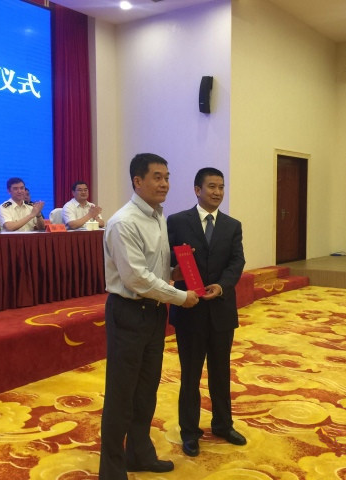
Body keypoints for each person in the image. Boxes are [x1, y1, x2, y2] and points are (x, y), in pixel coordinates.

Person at [99, 153, 200, 480]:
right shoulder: (123, 222)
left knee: (146, 390)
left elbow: (153, 270)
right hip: (128, 313)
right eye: (157, 177)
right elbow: (136, 279)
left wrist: (175, 272)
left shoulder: (157, 216)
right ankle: (111, 471)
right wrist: (181, 297)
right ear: (137, 181)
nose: (165, 184)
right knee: (121, 395)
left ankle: (139, 454)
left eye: (167, 177)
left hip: (154, 313)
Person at [167, 167, 246, 457]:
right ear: (197, 189)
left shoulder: (232, 225)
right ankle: (189, 432)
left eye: (221, 187)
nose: (217, 192)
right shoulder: (177, 221)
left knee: (220, 372)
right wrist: (174, 270)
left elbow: (237, 262)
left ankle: (223, 425)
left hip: (221, 311)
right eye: (211, 186)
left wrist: (222, 286)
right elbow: (165, 257)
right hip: (190, 311)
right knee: (190, 375)